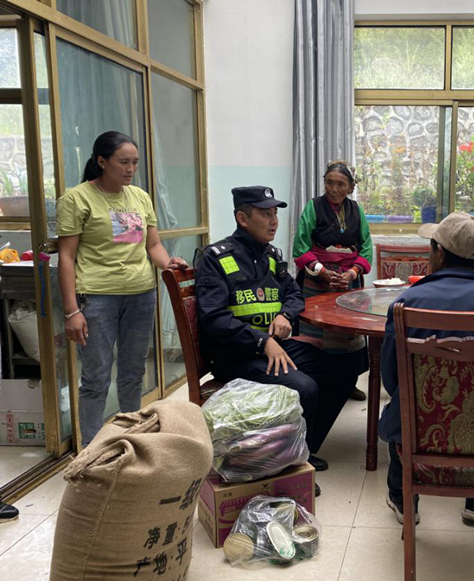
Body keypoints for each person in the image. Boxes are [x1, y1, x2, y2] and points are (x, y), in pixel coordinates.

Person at [378, 213, 474, 525]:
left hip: (420, 429)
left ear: (439, 253)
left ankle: (404, 499)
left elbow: (391, 379)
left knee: (400, 407)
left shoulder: (407, 304)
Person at [196, 186, 351, 480]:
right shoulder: (216, 257)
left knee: (343, 371)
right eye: (265, 214)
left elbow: (294, 294)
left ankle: (302, 451)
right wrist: (262, 340)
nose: (274, 221)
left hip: (274, 347)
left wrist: (285, 314)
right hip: (237, 354)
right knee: (304, 387)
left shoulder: (271, 256)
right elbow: (214, 318)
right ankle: (289, 469)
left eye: (275, 213)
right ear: (242, 218)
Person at [57, 131, 188, 446]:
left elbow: (152, 245)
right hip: (96, 299)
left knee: (133, 374)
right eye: (123, 162)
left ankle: (132, 441)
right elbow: (67, 257)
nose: (131, 169)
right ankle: (91, 450)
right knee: (96, 377)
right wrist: (72, 310)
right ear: (102, 162)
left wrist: (168, 263)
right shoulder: (76, 199)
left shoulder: (140, 197)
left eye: (135, 162)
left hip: (141, 296)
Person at [292, 160, 373, 401]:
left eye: (341, 184)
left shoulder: (357, 211)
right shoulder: (313, 207)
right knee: (318, 329)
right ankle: (317, 381)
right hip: (317, 279)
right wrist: (322, 271)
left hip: (348, 280)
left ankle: (348, 382)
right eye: (329, 183)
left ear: (350, 187)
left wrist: (351, 273)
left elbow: (366, 246)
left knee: (348, 330)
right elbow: (301, 245)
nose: (334, 189)